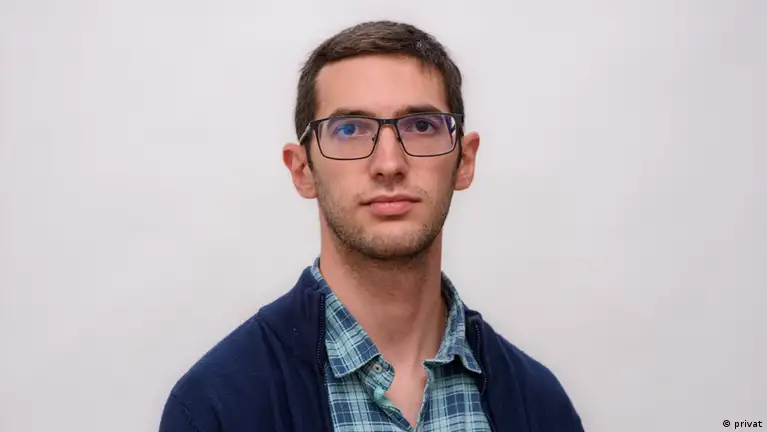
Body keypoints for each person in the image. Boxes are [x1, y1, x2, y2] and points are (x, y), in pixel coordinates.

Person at [159, 20, 584, 432]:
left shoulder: (541, 405)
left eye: (421, 126)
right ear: (302, 170)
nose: (389, 164)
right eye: (349, 129)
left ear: (464, 161)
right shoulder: (214, 409)